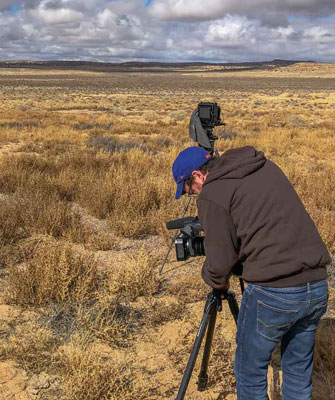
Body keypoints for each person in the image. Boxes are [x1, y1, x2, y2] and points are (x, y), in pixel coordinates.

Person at [172, 145, 330, 400]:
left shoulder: (213, 193)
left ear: (198, 176)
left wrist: (214, 279)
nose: (192, 195)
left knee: (250, 373)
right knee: (298, 373)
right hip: (316, 284)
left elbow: (220, 262)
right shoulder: (264, 166)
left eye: (189, 189)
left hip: (274, 292)